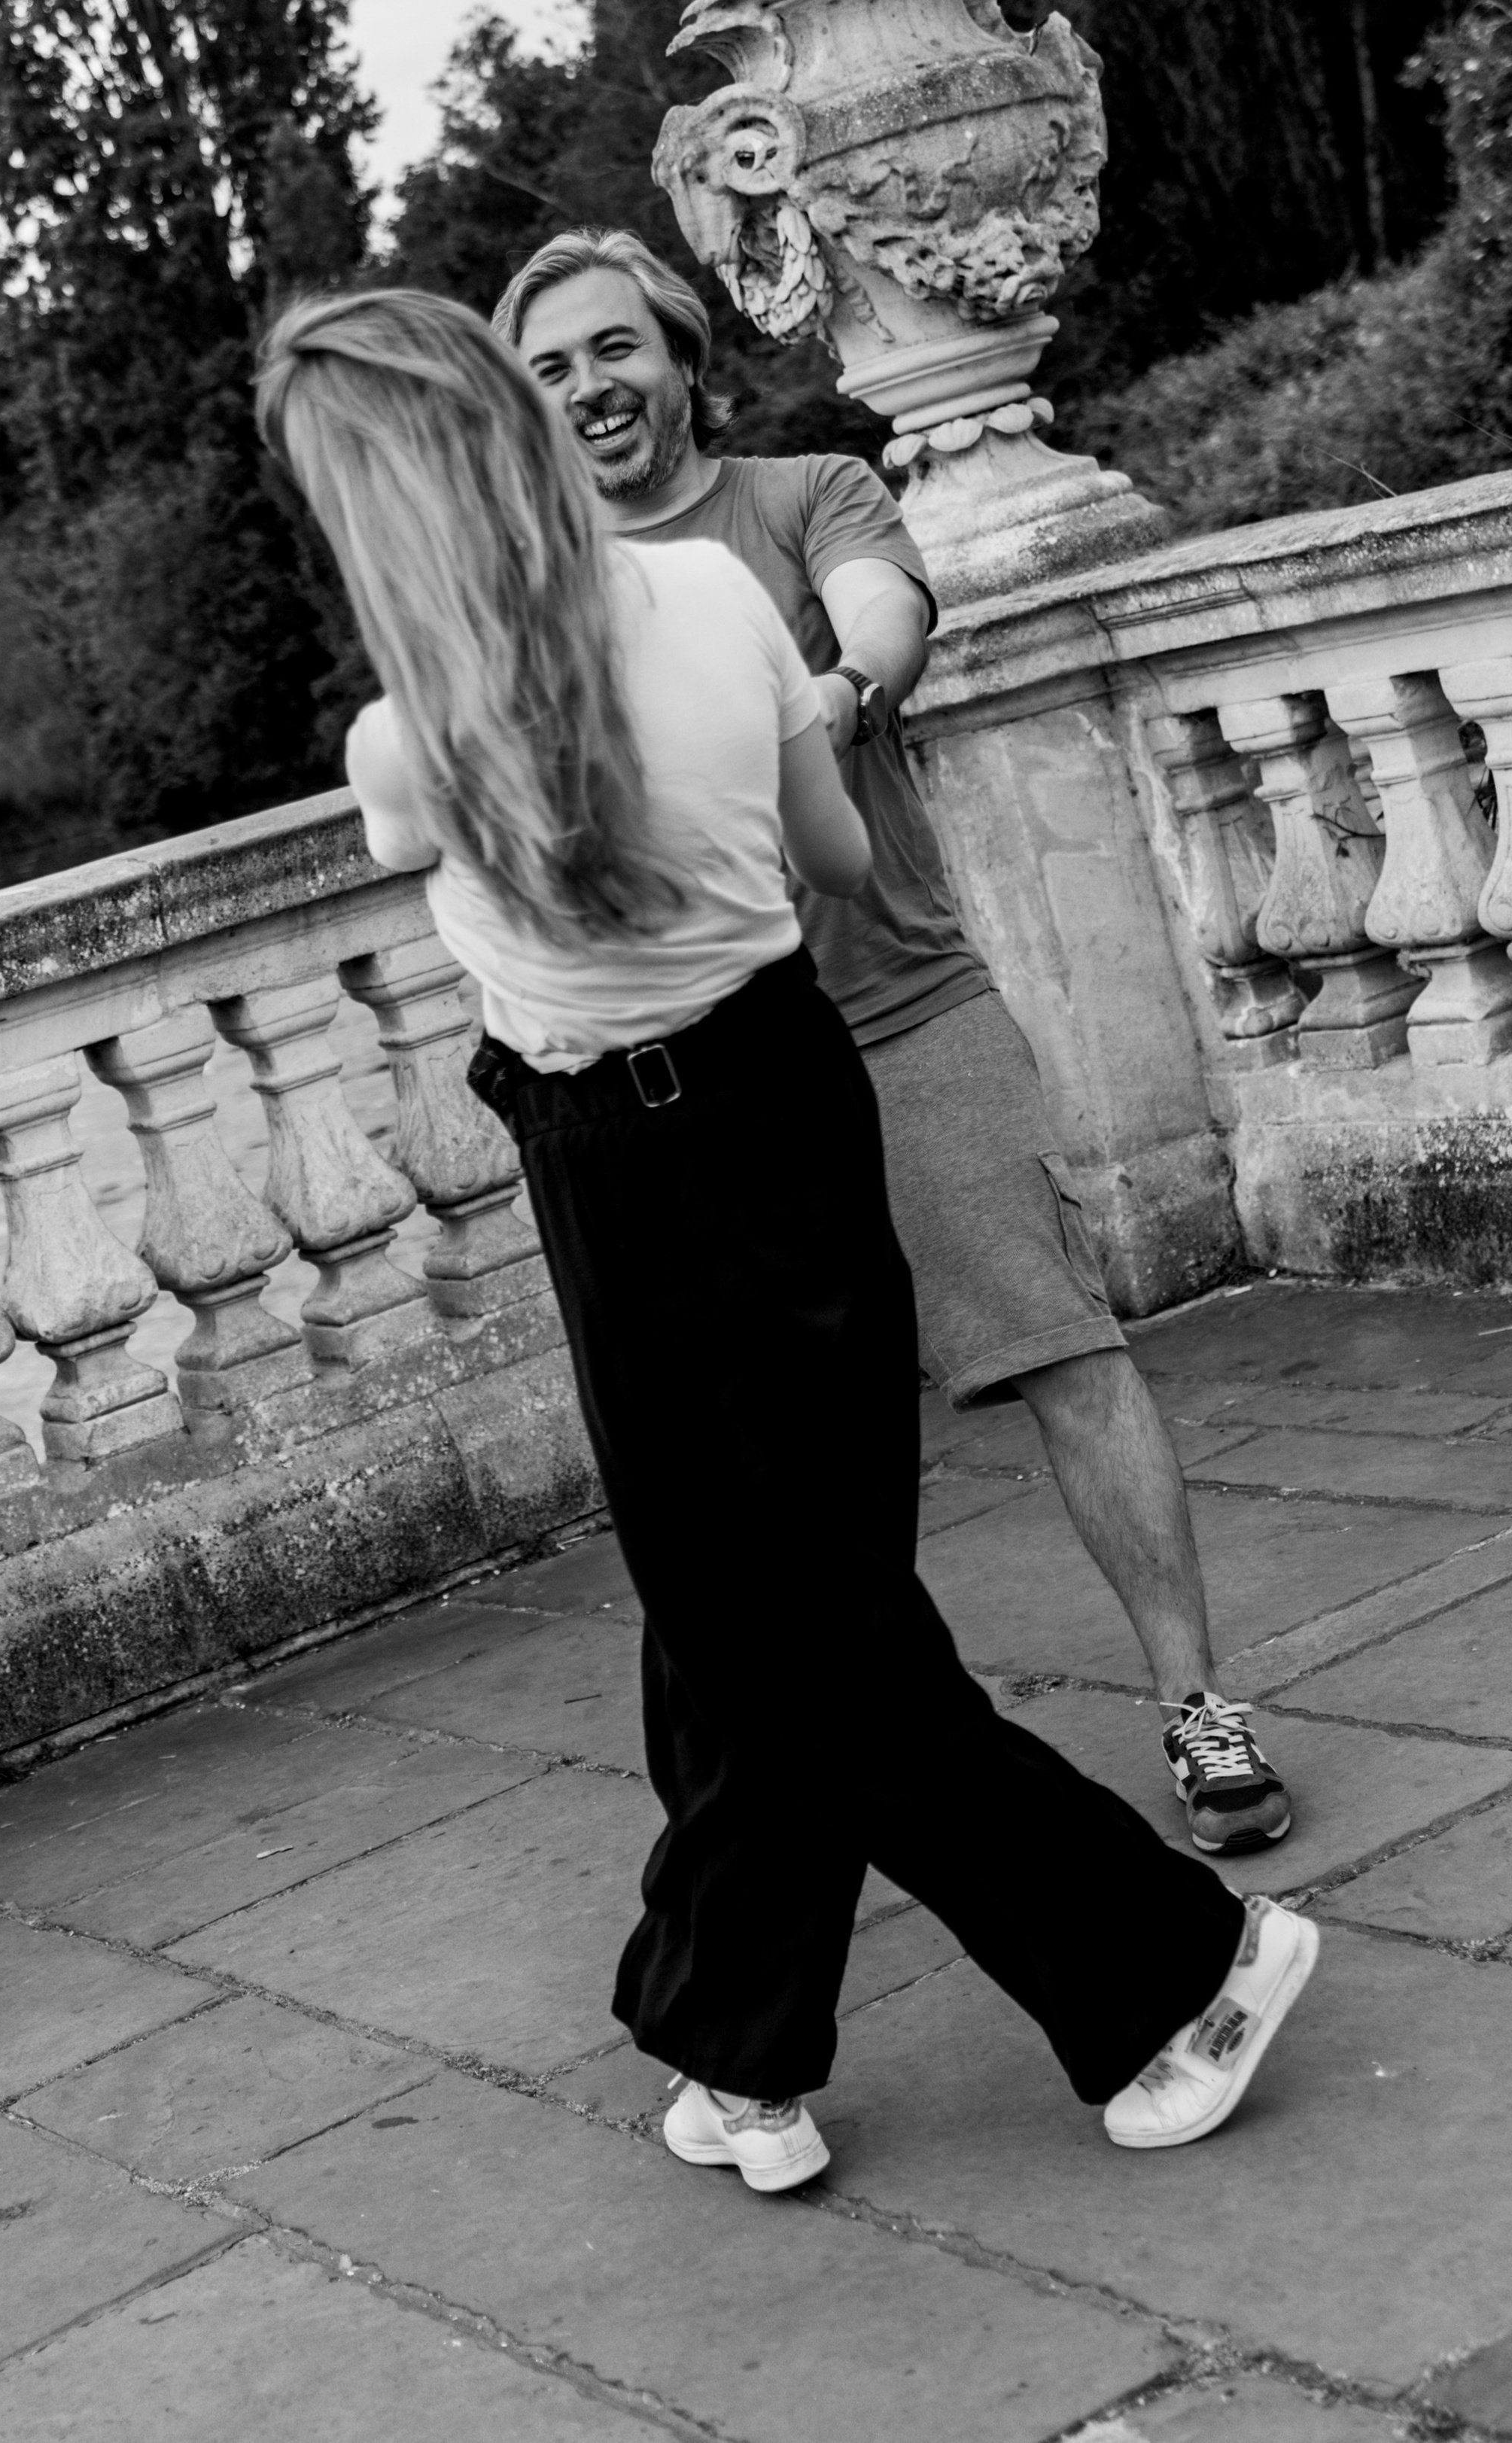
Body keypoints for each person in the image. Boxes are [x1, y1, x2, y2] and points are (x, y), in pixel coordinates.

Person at [255, 286, 1317, 2195]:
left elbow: (475, 903)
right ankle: (733, 2046)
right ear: (511, 415)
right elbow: (831, 861)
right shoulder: (722, 606)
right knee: (764, 1609)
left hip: (620, 1165)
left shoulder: (404, 744)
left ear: (369, 515)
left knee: (791, 1636)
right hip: (789, 1090)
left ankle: (1175, 1971)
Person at [492, 227, 1292, 1859]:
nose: (590, 387)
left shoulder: (803, 500)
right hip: (699, 1074)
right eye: (551, 368)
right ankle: (794, 1824)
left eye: (614, 348)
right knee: (748, 1487)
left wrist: (837, 693)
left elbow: (880, 615)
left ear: (681, 357)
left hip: (902, 1013)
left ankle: (1198, 1705)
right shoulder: (538, 597)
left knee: (1059, 1348)